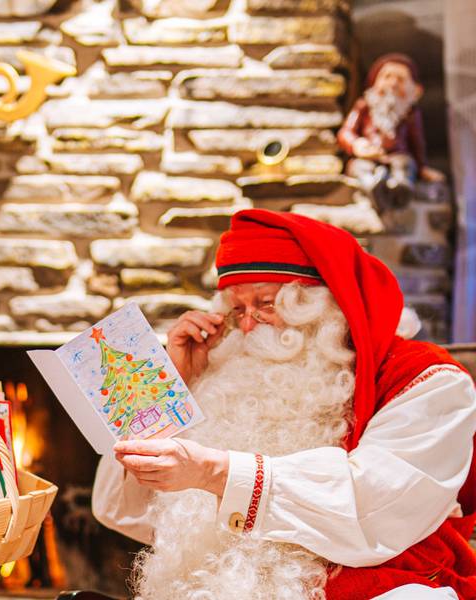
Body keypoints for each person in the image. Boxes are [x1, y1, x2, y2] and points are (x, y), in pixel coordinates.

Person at [92, 209, 476, 599]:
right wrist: (173, 385)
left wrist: (218, 473)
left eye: (266, 304)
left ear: (326, 306)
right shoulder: (223, 370)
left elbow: (375, 509)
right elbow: (120, 511)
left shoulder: (428, 381)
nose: (246, 327)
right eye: (237, 309)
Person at [338, 53, 445, 209]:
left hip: (398, 157)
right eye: (387, 77)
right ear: (373, 85)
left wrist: (421, 168)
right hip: (369, 157)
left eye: (401, 80)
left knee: (406, 164)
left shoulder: (410, 114)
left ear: (416, 91)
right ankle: (372, 184)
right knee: (359, 166)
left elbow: (417, 143)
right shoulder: (364, 107)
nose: (393, 84)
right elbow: (346, 132)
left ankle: (401, 186)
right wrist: (357, 145)